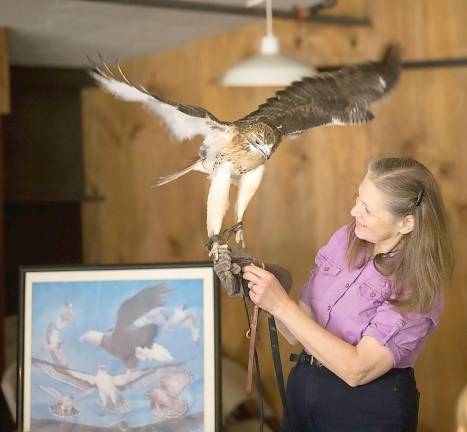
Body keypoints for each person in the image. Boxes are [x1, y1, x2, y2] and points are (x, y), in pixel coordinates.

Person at [239, 156, 453, 432]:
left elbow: (357, 370)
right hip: (303, 392)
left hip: (365, 409)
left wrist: (280, 305)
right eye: (358, 198)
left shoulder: (416, 282)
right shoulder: (346, 239)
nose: (354, 212)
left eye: (368, 209)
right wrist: (263, 290)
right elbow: (297, 330)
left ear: (406, 224)